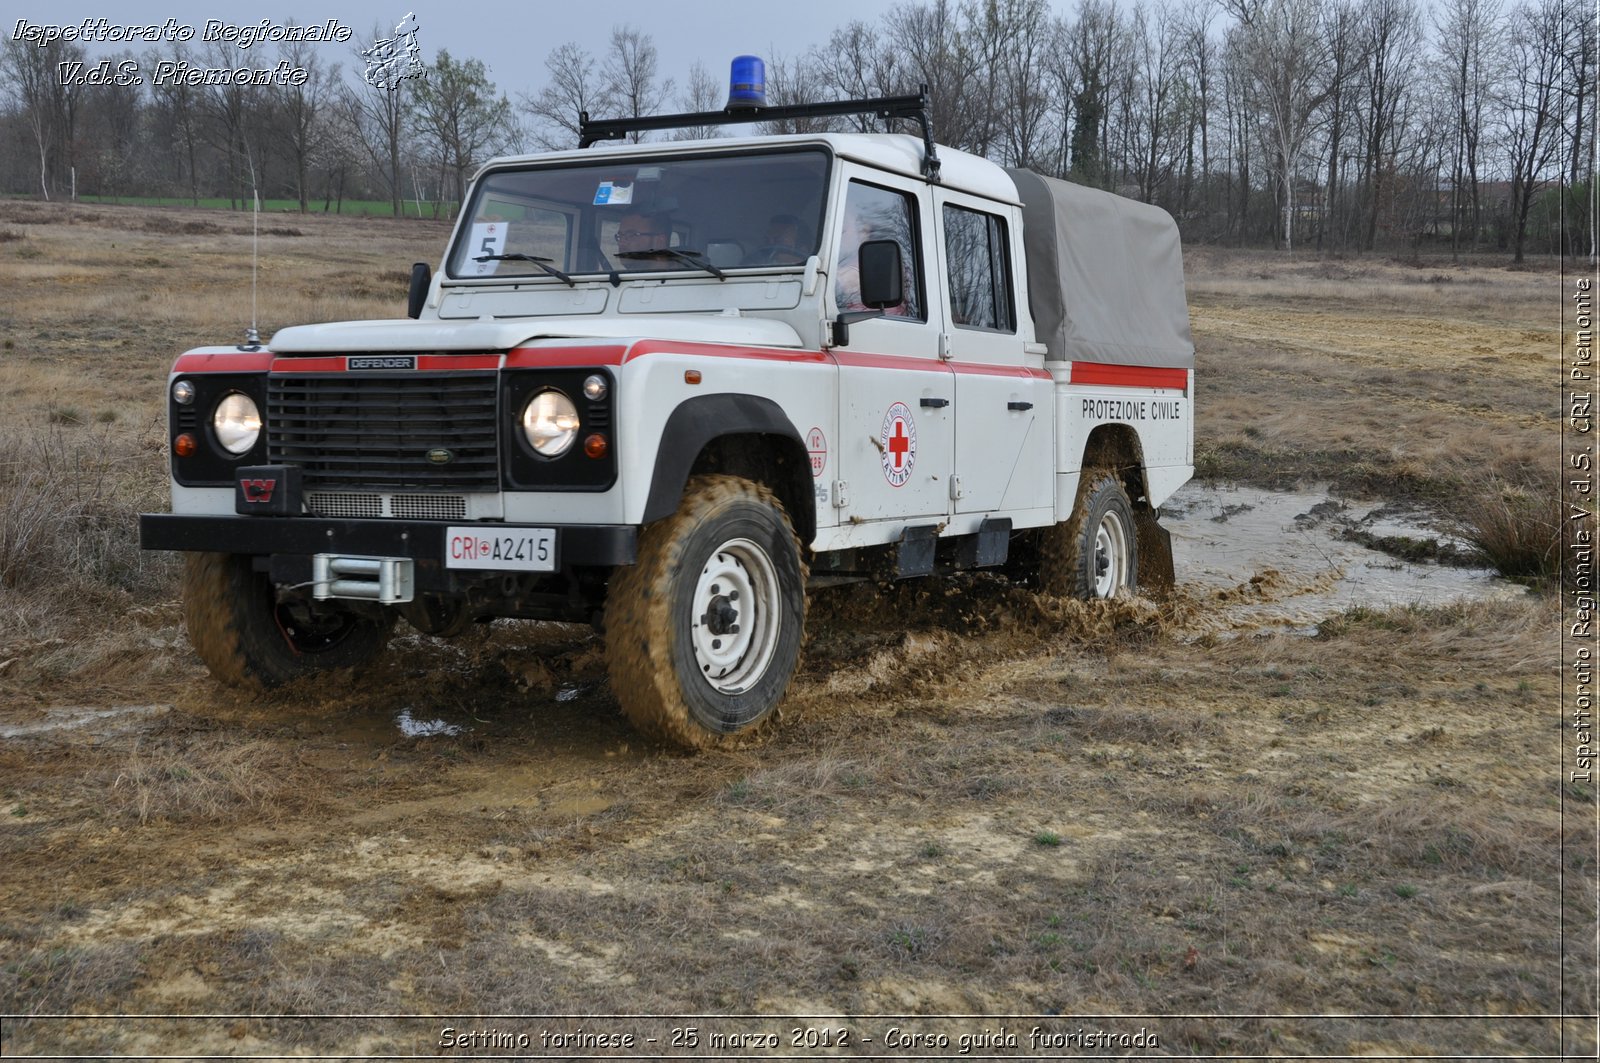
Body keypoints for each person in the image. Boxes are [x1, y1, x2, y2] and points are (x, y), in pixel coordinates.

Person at [834, 207, 910, 316]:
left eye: (842, 226)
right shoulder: (840, 262)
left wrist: (838, 280)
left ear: (864, 231)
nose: (835, 233)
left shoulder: (880, 265)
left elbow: (845, 280)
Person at [613, 210, 678, 266]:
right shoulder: (621, 278)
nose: (621, 243)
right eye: (620, 235)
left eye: (631, 235)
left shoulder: (681, 278)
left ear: (660, 241)